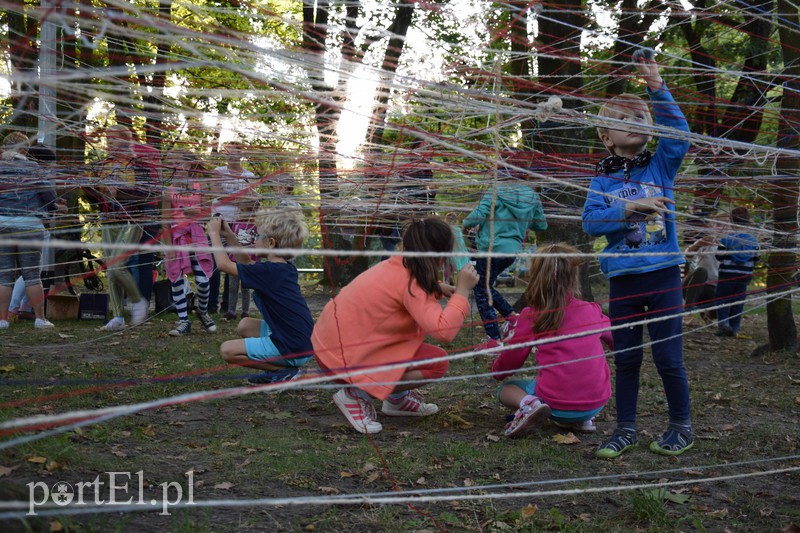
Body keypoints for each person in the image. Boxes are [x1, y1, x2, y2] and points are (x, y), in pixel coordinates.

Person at [581, 48, 694, 457]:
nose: (636, 124)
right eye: (623, 120)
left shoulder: (661, 166)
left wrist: (657, 89)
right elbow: (590, 223)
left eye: (641, 118)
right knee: (627, 358)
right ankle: (624, 429)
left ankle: (681, 426)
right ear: (606, 137)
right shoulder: (602, 181)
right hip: (623, 279)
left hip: (663, 274)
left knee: (668, 358)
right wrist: (630, 208)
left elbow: (679, 132)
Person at [312, 216, 480, 434]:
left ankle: (396, 399)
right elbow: (444, 331)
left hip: (330, 347)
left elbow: (401, 291)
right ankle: (356, 394)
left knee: (428, 358)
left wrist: (437, 288)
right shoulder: (412, 284)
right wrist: (462, 292)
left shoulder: (398, 265)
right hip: (341, 359)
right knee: (436, 363)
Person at [487, 244, 613, 438]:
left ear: (536, 278)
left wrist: (497, 369)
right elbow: (618, 340)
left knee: (506, 390)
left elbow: (511, 361)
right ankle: (584, 420)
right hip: (596, 403)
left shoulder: (532, 315)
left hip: (557, 406)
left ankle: (531, 405)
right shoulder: (592, 309)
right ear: (573, 277)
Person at [207, 207, 314, 384]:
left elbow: (224, 265)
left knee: (227, 350)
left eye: (258, 236)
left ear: (271, 243)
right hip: (300, 341)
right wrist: (229, 236)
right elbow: (247, 263)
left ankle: (283, 371)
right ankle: (285, 367)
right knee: (244, 325)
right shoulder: (281, 268)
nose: (254, 239)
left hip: (292, 346)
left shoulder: (270, 271)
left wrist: (214, 234)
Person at [85, 125, 157, 330]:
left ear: (126, 141)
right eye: (108, 138)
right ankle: (117, 317)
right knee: (111, 271)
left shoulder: (138, 167)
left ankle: (137, 300)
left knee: (118, 266)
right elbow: (92, 198)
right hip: (108, 221)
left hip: (131, 221)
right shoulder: (101, 166)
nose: (109, 142)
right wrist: (91, 188)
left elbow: (147, 196)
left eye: (114, 138)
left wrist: (121, 193)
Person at [463, 172, 547, 341]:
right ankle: (511, 318)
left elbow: (481, 212)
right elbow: (541, 225)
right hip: (511, 251)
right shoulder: (532, 196)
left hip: (491, 249)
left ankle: (494, 337)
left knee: (482, 290)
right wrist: (521, 221)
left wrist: (465, 224)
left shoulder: (496, 190)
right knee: (484, 287)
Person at [0, 133, 58, 330]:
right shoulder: (34, 168)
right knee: (32, 274)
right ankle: (40, 319)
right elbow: (49, 195)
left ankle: (3, 320)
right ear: (25, 149)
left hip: (2, 225)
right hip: (30, 225)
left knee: (4, 275)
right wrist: (52, 209)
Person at [161, 150, 216, 336]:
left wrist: (197, 214)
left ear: (188, 166)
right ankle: (183, 321)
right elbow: (164, 221)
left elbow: (209, 214)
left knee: (203, 281)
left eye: (178, 163)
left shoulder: (200, 187)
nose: (174, 167)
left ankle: (202, 310)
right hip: (177, 238)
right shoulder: (167, 191)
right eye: (171, 163)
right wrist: (170, 248)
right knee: (176, 279)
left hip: (197, 237)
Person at [208, 144, 257, 314]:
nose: (231, 156)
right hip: (219, 221)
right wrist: (239, 199)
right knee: (215, 261)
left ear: (241, 154)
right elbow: (216, 193)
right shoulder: (218, 171)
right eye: (228, 153)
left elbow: (251, 199)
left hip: (239, 225)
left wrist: (231, 199)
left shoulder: (248, 175)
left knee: (235, 262)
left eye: (235, 152)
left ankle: (229, 306)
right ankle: (212, 303)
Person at [714, 207, 759, 338]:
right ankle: (735, 327)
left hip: (726, 276)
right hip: (743, 277)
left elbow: (719, 256)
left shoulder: (726, 240)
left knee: (722, 301)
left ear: (731, 221)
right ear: (748, 221)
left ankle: (724, 325)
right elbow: (756, 258)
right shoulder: (754, 241)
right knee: (737, 302)